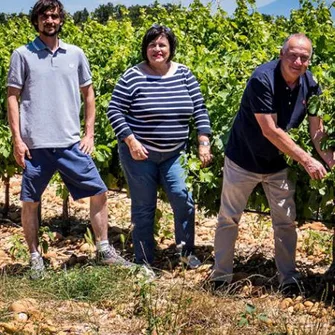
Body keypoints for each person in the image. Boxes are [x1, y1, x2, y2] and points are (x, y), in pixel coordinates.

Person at [7, 0, 131, 279]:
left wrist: (88, 134)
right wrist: (17, 139)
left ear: (61, 20)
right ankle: (35, 257)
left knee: (99, 192)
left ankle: (103, 249)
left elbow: (89, 95)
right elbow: (12, 97)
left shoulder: (75, 54)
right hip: (35, 146)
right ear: (36, 21)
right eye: (44, 16)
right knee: (30, 201)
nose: (50, 20)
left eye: (54, 16)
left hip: (69, 143)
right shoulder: (22, 54)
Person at [211, 33, 335, 295]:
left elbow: (317, 129)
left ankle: (288, 279)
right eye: (293, 55)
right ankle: (221, 277)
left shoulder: (312, 85)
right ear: (281, 55)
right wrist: (307, 160)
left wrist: (330, 159)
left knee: (285, 222)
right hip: (243, 158)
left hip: (276, 162)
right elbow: (270, 130)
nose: (298, 61)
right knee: (229, 219)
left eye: (304, 57)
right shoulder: (262, 79)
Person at [107, 25, 212, 267]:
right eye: (152, 45)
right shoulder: (132, 76)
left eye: (162, 45)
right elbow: (114, 110)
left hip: (175, 153)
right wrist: (131, 141)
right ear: (145, 49)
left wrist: (203, 142)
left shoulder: (185, 74)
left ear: (170, 49)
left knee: (183, 198)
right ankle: (144, 261)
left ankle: (186, 253)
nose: (157, 49)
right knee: (144, 207)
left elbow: (199, 109)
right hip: (139, 155)